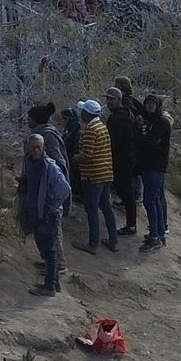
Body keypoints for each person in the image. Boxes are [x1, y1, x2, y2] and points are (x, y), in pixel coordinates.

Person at [17, 133, 70, 296]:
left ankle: (50, 286)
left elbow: (65, 189)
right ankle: (53, 282)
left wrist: (51, 208)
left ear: (44, 148)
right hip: (35, 213)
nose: (35, 150)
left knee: (50, 250)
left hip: (47, 215)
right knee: (44, 249)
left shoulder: (50, 167)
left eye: (38, 147)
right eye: (32, 147)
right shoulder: (29, 162)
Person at [72, 98, 118, 253]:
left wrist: (75, 158)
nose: (80, 113)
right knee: (106, 208)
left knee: (91, 210)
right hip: (105, 173)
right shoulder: (102, 126)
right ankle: (113, 240)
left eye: (82, 111)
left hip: (93, 175)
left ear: (87, 113)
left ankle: (93, 244)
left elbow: (87, 155)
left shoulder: (91, 130)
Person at [136, 93, 173, 251]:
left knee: (150, 201)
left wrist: (141, 135)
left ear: (158, 105)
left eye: (153, 103)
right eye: (147, 103)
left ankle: (155, 237)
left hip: (155, 166)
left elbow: (148, 141)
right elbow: (147, 141)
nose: (150, 106)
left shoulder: (161, 122)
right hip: (146, 165)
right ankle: (158, 233)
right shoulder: (148, 121)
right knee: (155, 200)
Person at [104, 86, 139, 236]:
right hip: (126, 157)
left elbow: (113, 141)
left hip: (122, 159)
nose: (109, 102)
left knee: (126, 191)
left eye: (112, 99)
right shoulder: (125, 114)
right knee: (126, 191)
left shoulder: (118, 118)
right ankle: (131, 224)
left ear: (119, 100)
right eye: (108, 99)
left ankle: (131, 225)